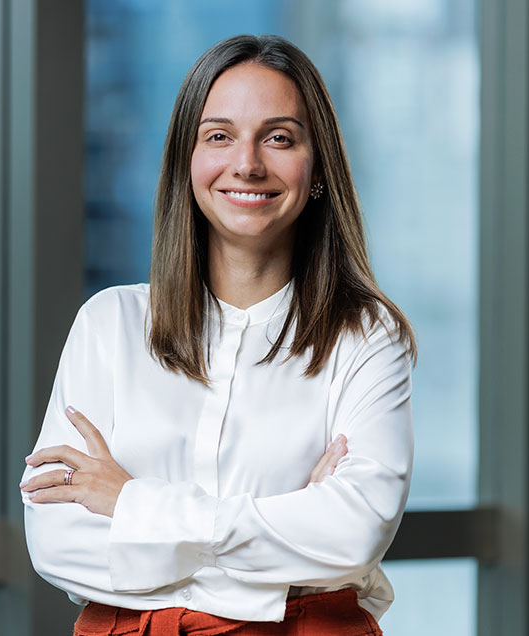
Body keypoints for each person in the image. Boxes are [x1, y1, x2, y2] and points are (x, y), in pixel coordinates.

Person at [20, 33, 415, 636]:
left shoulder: (364, 336)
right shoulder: (109, 324)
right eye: (219, 136)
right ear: (187, 162)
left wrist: (131, 504)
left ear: (318, 168)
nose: (248, 163)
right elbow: (56, 541)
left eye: (279, 138)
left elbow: (353, 534)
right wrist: (286, 558)